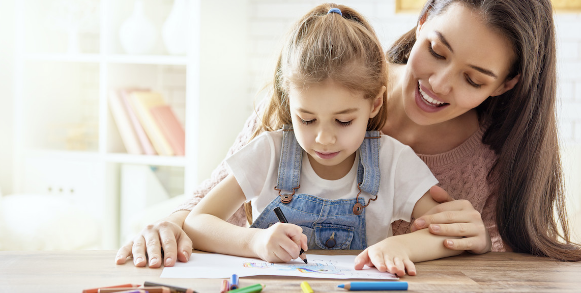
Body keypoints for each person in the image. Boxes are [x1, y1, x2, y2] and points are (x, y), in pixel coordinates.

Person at [116, 0, 581, 269]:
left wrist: (477, 242)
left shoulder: (492, 157)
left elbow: (497, 263)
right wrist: (169, 226)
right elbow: (206, 206)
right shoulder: (324, 83)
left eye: (474, 80)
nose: (439, 84)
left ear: (506, 84)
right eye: (436, 50)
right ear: (421, 23)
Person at [184, 4, 464, 277]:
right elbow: (196, 223)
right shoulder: (270, 152)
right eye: (306, 119)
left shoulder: (392, 161)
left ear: (375, 103)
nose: (323, 138)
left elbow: (448, 234)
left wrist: (401, 245)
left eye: (343, 121)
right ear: (288, 101)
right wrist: (254, 241)